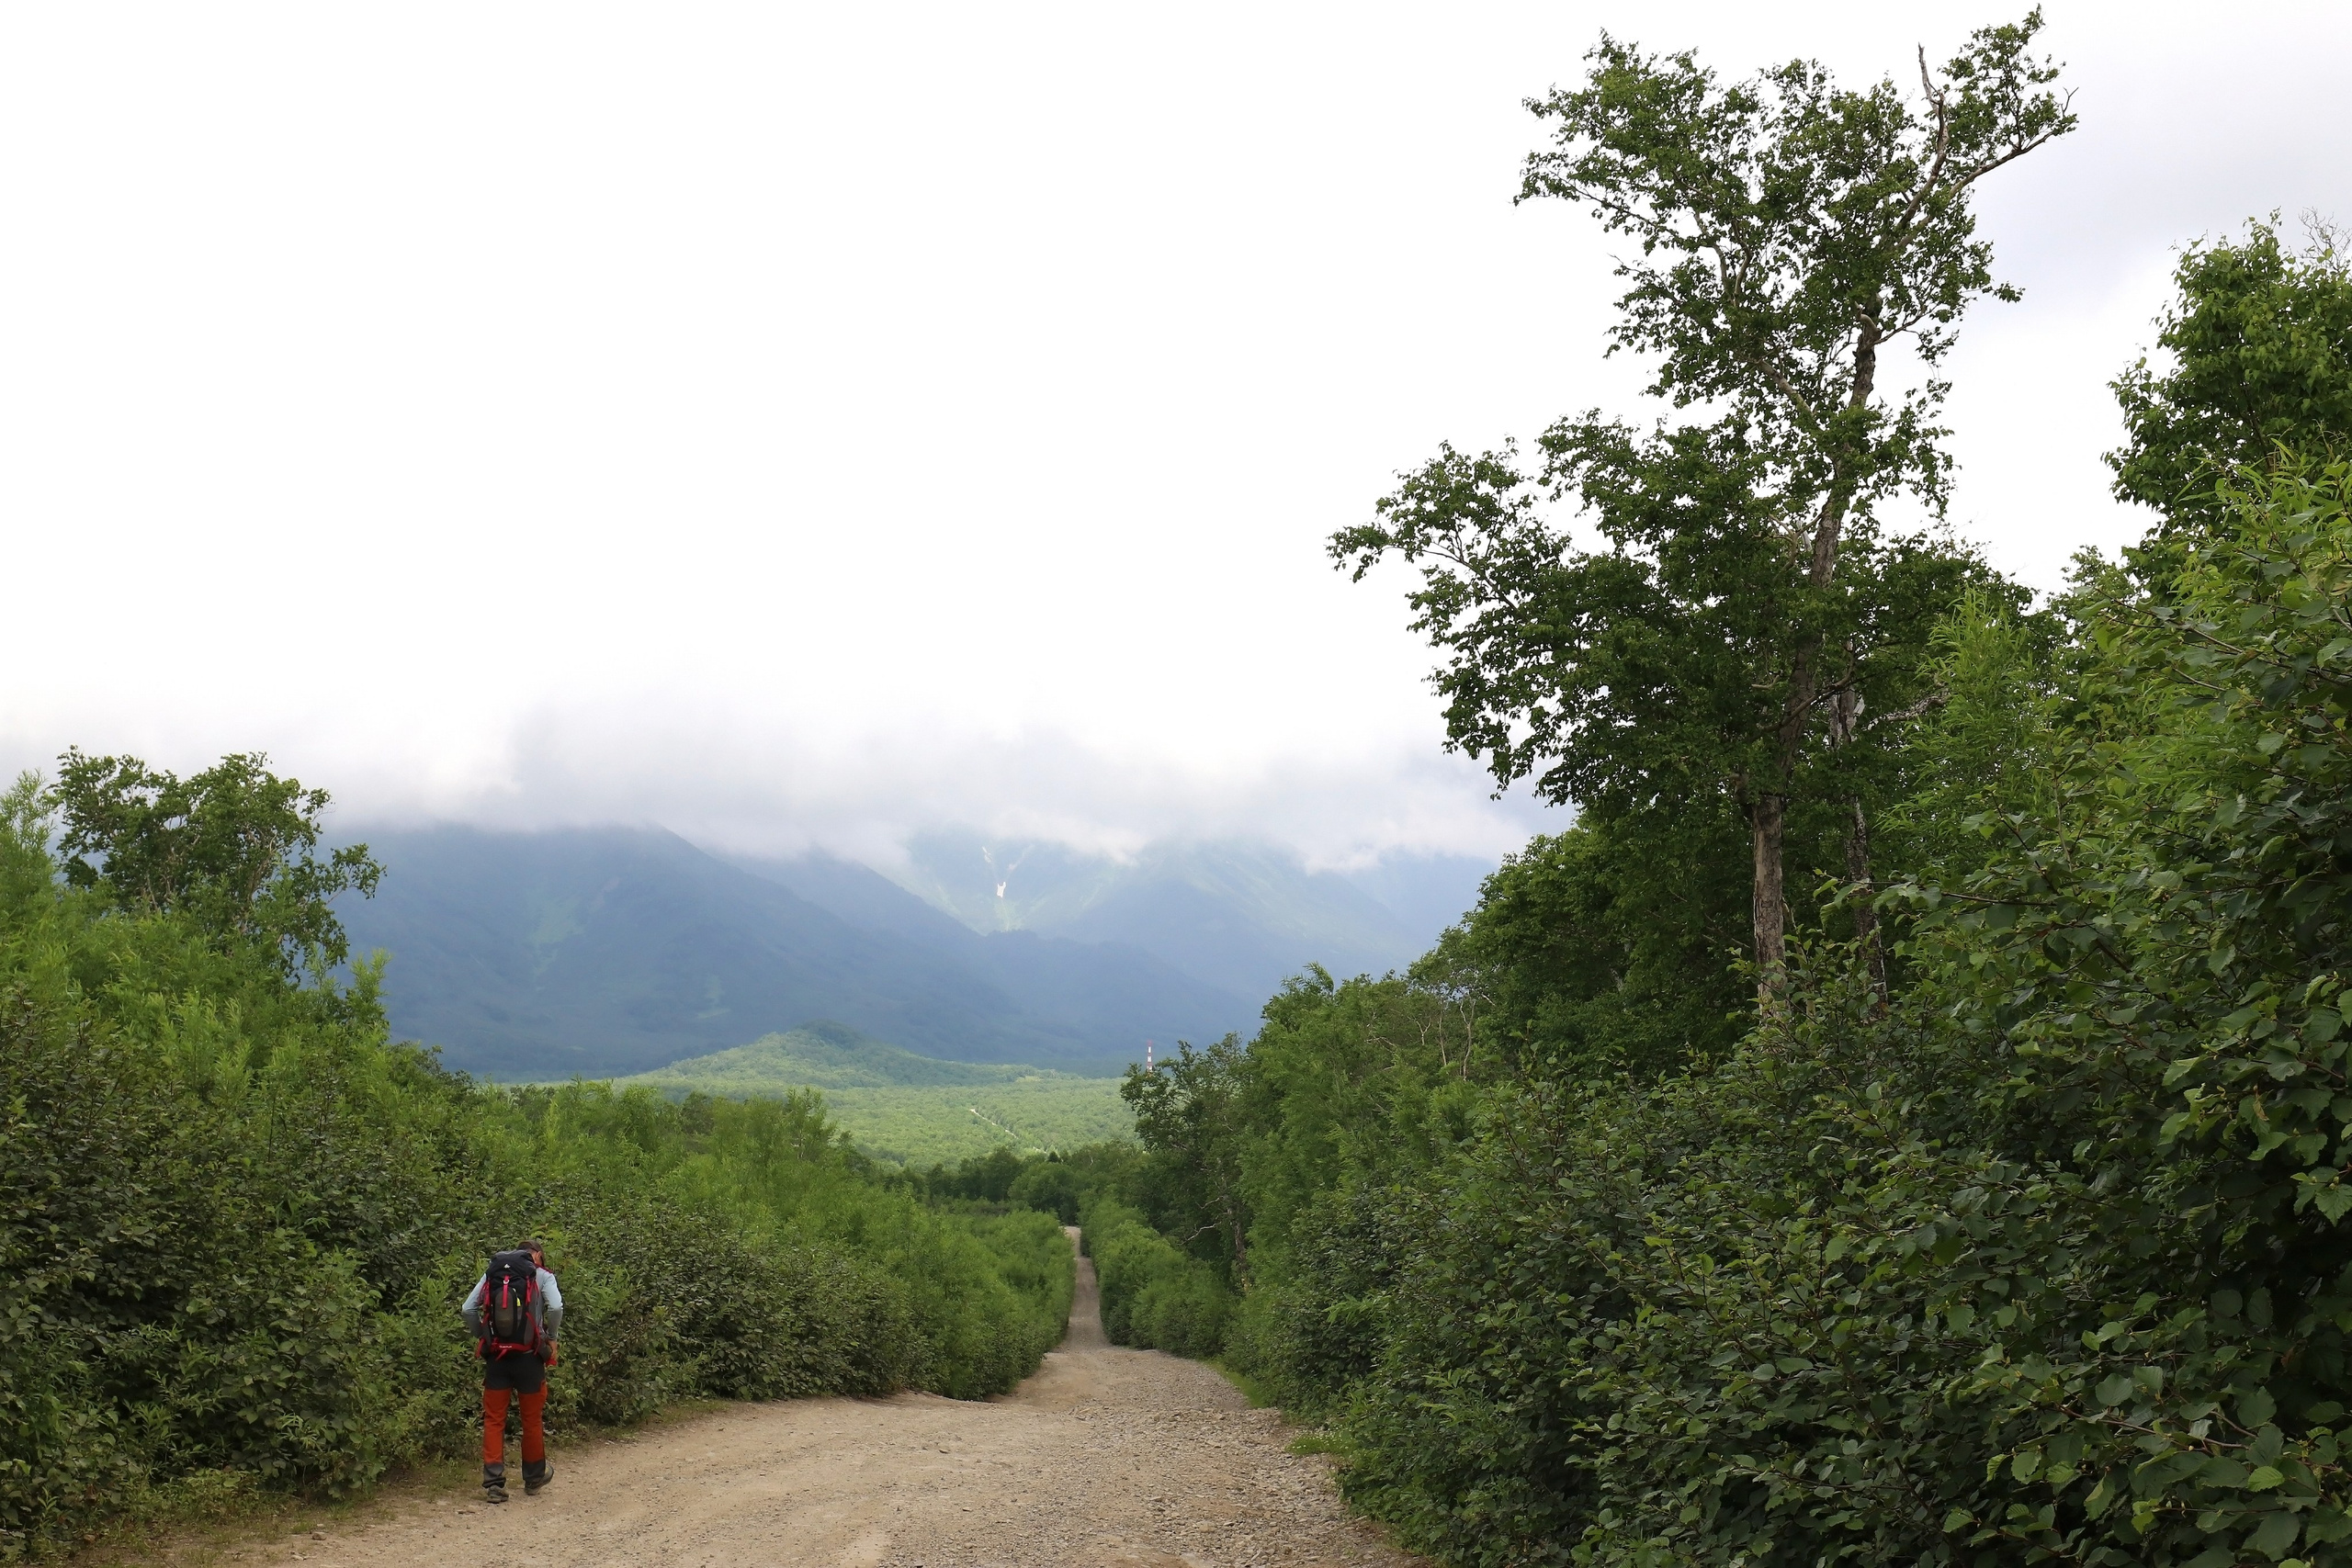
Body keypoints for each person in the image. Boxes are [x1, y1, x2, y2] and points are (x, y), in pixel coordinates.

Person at [460, 1239, 563, 1503]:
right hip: (530, 1358)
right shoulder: (543, 1276)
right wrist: (552, 1337)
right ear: (538, 1255)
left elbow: (467, 1309)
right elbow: (556, 1307)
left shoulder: (494, 1274)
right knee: (532, 1419)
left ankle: (494, 1483)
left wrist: (483, 1336)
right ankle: (534, 1477)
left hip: (497, 1358)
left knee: (494, 1419)